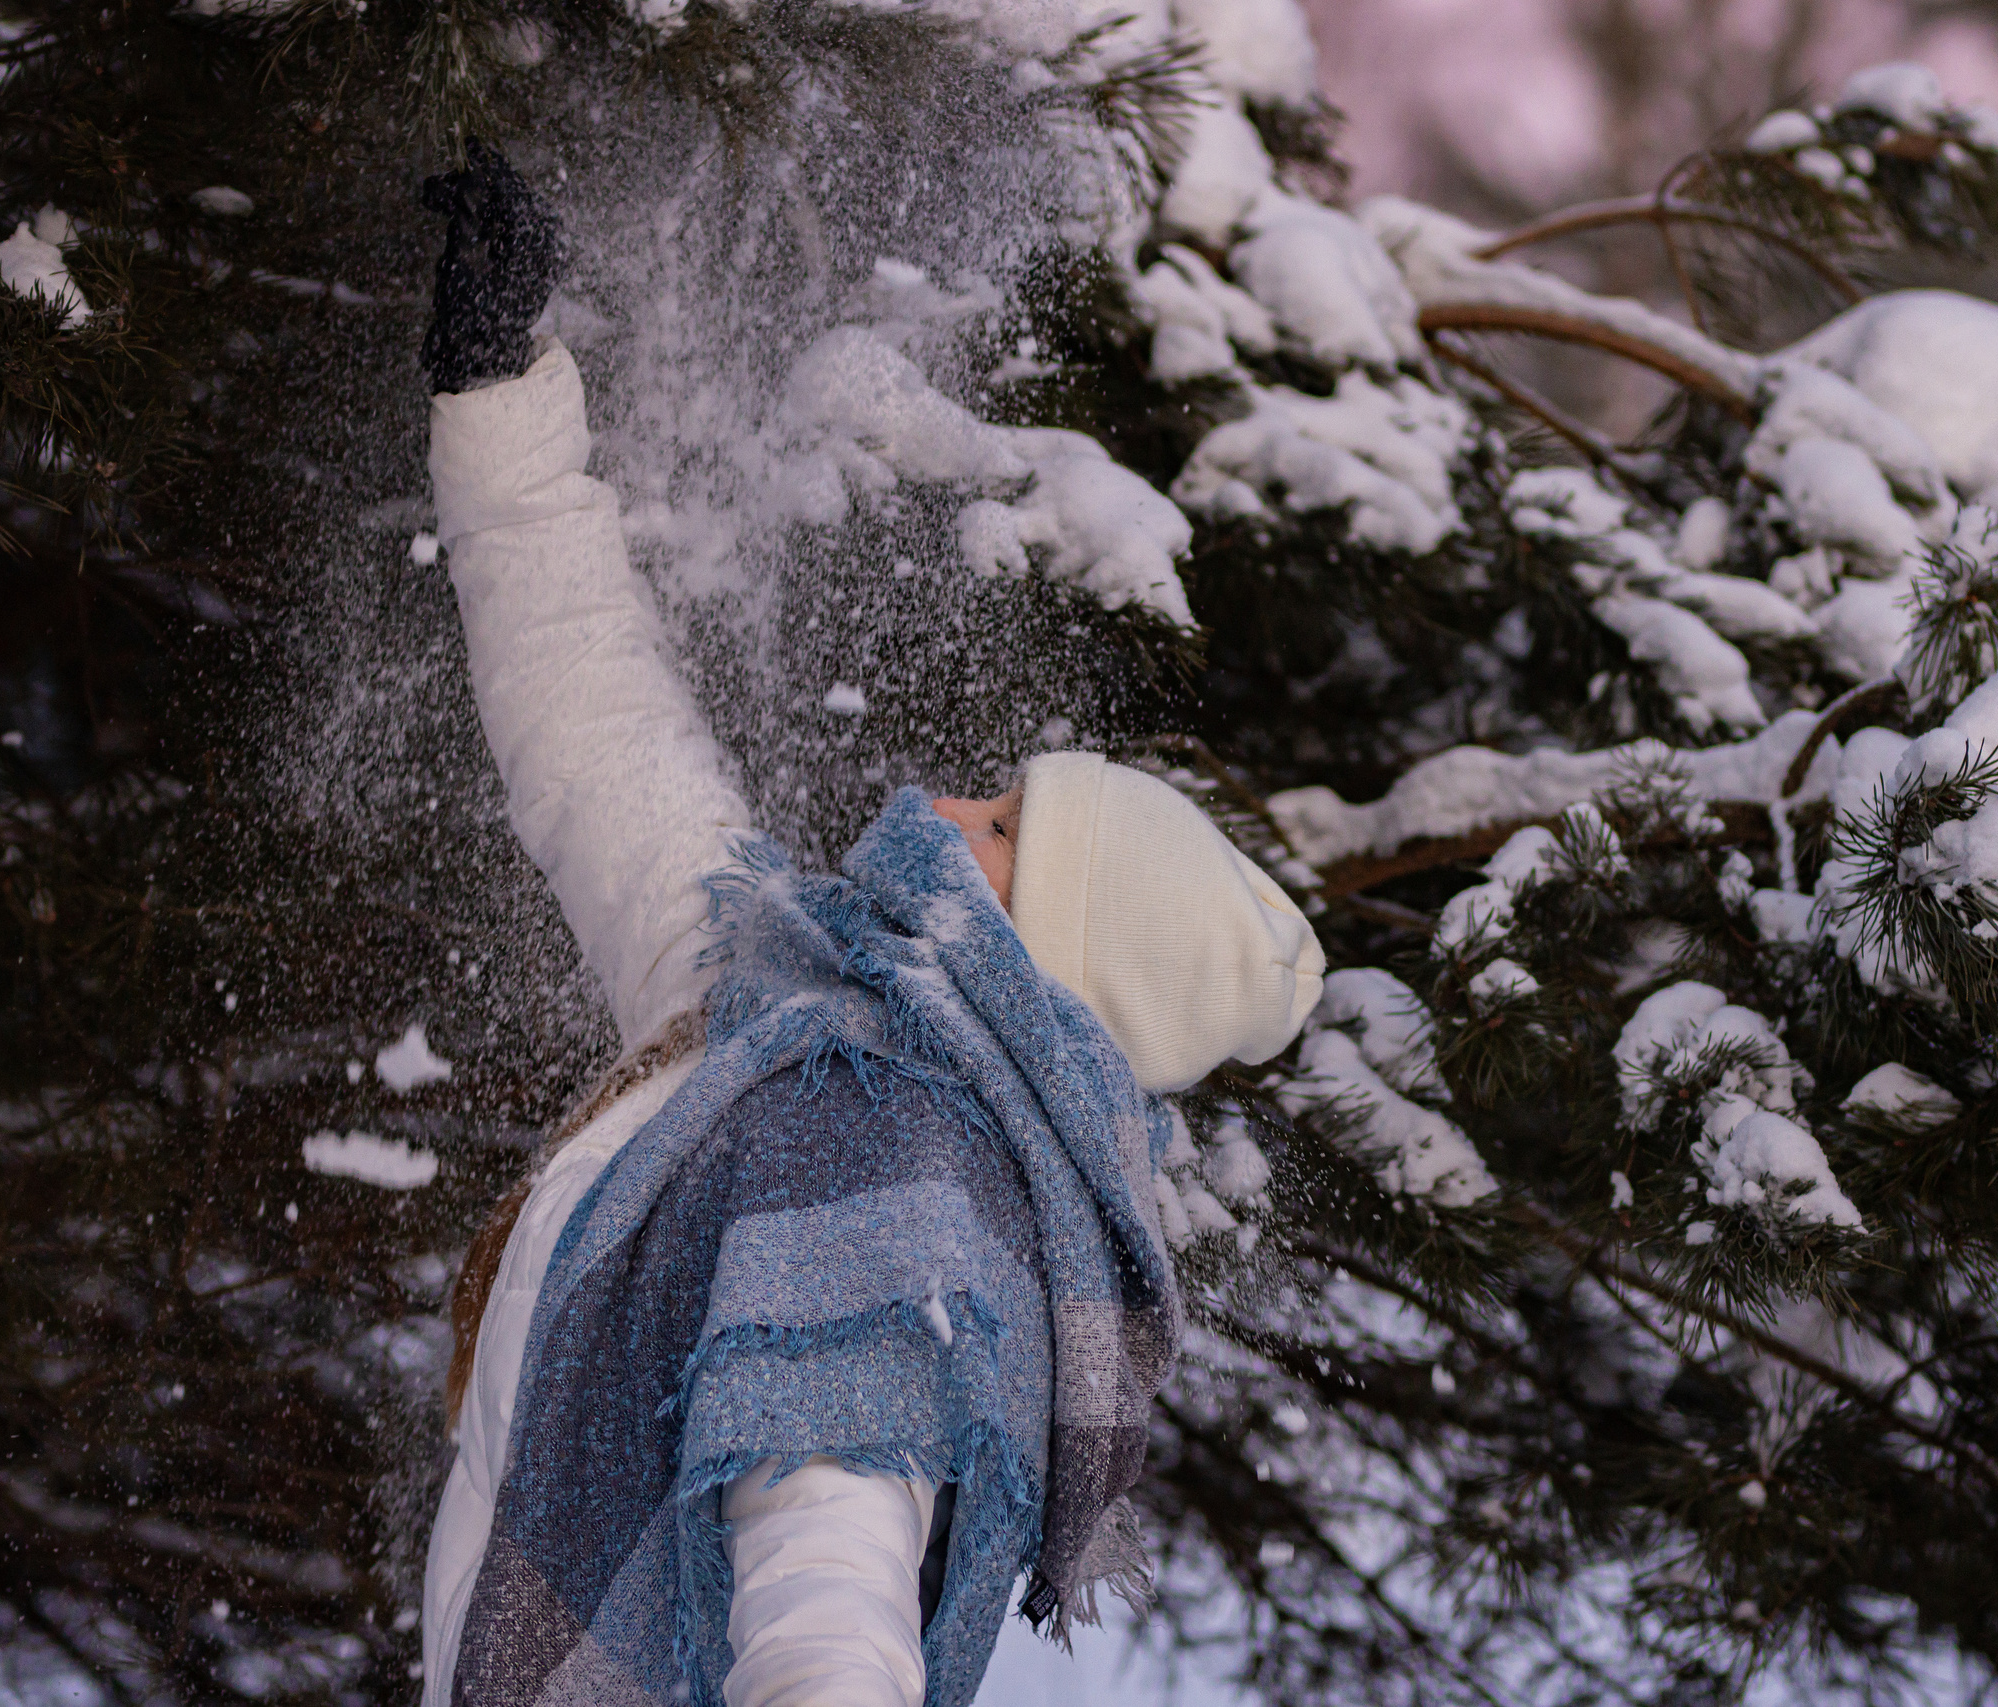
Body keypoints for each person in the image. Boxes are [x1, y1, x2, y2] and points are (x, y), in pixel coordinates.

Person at [414, 144, 1326, 1707]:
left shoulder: (892, 1174)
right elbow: (596, 729)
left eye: (1003, 831)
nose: (946, 809)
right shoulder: (777, 1028)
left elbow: (830, 1611)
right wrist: (499, 390)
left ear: (1035, 964)